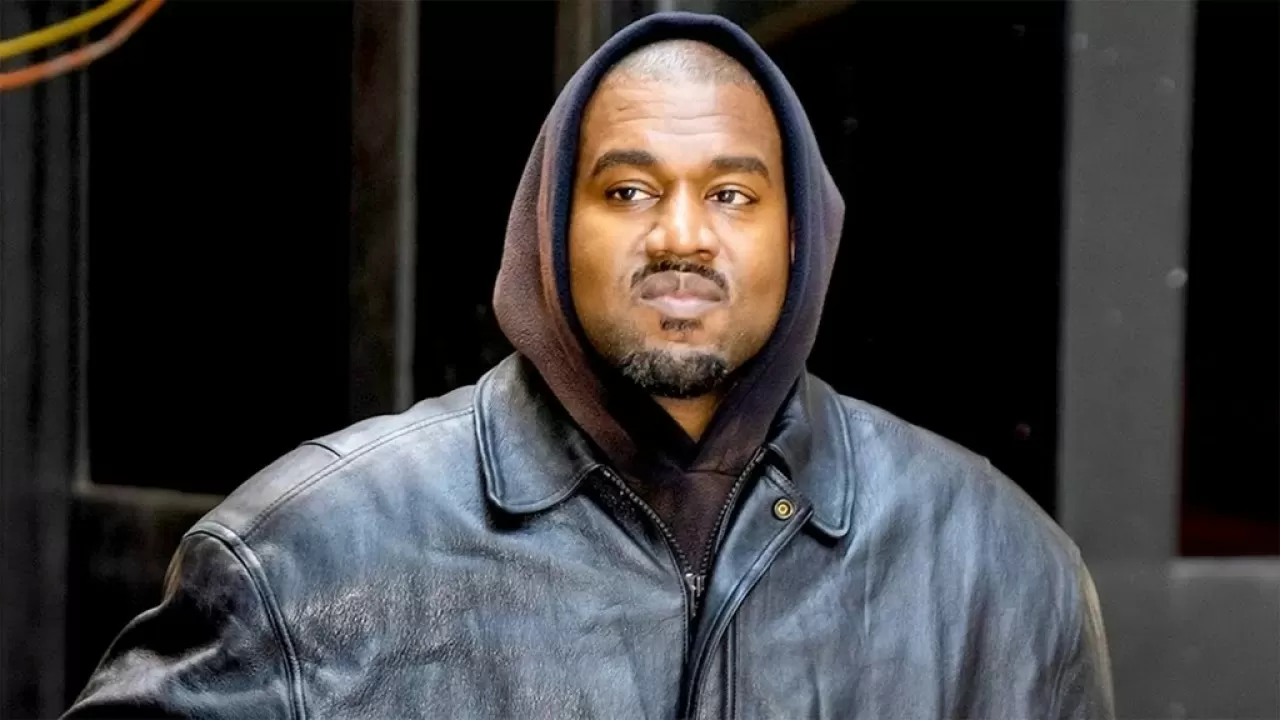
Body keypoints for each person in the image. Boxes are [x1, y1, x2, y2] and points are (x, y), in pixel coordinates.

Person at [65, 12, 1113, 720]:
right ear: (549, 230)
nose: (681, 236)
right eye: (627, 192)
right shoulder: (305, 560)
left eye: (732, 195)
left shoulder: (994, 568)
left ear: (801, 238)